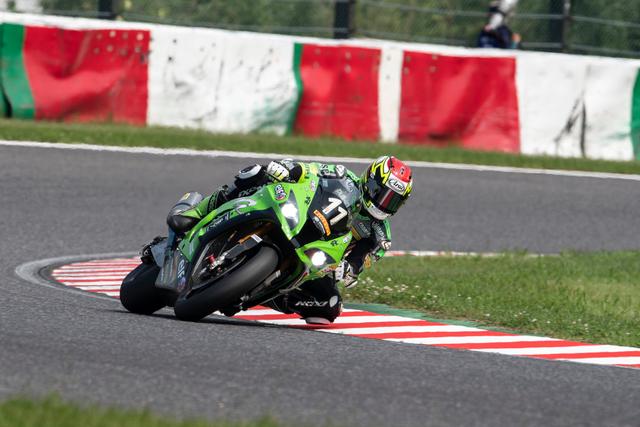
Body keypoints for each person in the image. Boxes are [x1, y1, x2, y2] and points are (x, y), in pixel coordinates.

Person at [158, 156, 413, 325]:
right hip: (299, 217)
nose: (385, 203)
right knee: (255, 173)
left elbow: (361, 260)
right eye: (383, 194)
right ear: (370, 181)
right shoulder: (342, 175)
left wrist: (347, 270)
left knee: (329, 307)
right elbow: (309, 170)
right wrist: (287, 169)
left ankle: (267, 293)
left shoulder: (380, 235)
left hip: (319, 257)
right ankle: (199, 210)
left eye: (393, 200)